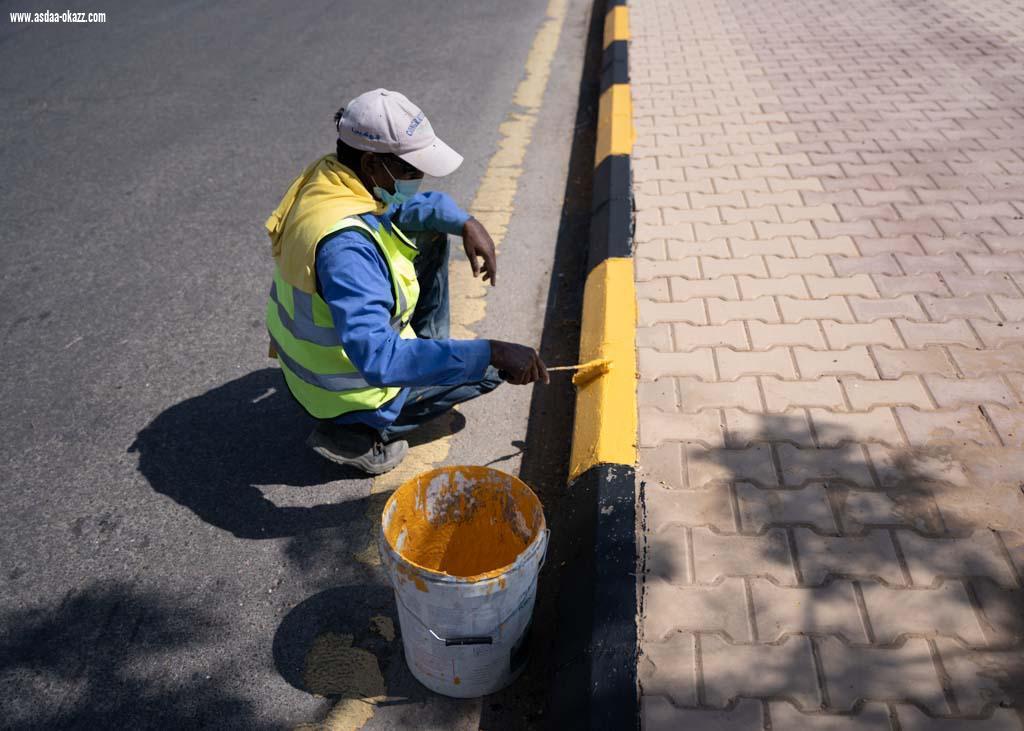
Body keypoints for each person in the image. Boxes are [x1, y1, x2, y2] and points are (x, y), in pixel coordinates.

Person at [264, 88, 548, 475]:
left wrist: (465, 222)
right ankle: (355, 433)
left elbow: (404, 209)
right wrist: (492, 352)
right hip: (341, 390)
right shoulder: (346, 252)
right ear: (372, 163)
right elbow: (380, 360)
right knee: (490, 371)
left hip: (312, 367)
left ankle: (423, 356)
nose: (420, 178)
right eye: (411, 171)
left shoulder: (331, 181)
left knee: (429, 231)